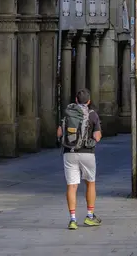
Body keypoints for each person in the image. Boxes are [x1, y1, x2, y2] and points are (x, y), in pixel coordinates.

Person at [57, 89, 102, 229]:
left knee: (72, 186)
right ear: (88, 101)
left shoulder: (67, 113)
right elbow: (97, 136)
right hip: (87, 153)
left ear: (76, 100)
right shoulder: (93, 115)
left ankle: (72, 219)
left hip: (69, 152)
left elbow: (59, 133)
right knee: (90, 183)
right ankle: (89, 216)